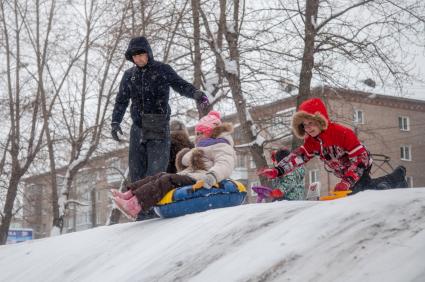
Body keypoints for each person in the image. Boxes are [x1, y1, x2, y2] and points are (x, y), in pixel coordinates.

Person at [110, 36, 210, 184]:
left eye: (141, 54)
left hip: (158, 125)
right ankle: (140, 206)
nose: (138, 59)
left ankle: (154, 205)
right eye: (135, 56)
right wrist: (115, 121)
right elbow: (121, 100)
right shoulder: (129, 76)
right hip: (137, 128)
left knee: (155, 173)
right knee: (136, 173)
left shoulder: (162, 70)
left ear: (148, 53)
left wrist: (196, 93)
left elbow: (180, 85)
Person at [259, 98, 407, 195]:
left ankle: (396, 178)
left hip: (359, 164)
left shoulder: (340, 133)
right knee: (360, 191)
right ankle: (396, 178)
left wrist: (346, 181)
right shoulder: (312, 141)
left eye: (311, 123)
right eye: (304, 125)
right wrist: (277, 170)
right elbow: (297, 157)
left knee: (362, 190)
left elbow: (360, 160)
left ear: (320, 120)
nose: (308, 128)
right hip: (343, 171)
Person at [111, 111, 236, 219]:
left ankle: (135, 205)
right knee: (160, 175)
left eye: (200, 133)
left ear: (211, 133)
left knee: (167, 179)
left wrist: (212, 176)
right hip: (192, 175)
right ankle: (130, 194)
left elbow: (225, 164)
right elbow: (187, 162)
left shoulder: (221, 146)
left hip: (201, 179)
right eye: (197, 133)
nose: (197, 137)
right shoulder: (203, 146)